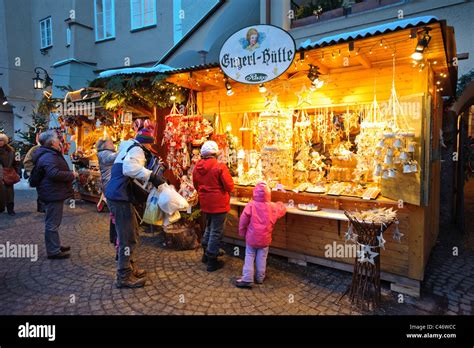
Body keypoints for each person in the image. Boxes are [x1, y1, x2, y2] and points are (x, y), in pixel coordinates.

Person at [105, 123, 165, 288]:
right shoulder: (137, 150)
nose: (151, 147)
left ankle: (130, 267)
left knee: (132, 233)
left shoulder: (129, 147)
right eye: (150, 144)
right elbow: (130, 169)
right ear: (147, 143)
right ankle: (123, 275)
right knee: (127, 237)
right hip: (119, 197)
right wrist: (152, 176)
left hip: (118, 195)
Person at [32, 130, 77, 259]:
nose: (60, 140)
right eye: (57, 139)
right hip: (52, 193)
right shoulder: (49, 156)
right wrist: (71, 175)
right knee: (52, 223)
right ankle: (53, 251)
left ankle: (55, 245)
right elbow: (54, 173)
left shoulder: (49, 153)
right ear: (52, 142)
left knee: (53, 221)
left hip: (52, 192)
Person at [234, 182, 286, 288]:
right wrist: (280, 203)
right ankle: (260, 277)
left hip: (251, 238)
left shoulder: (251, 205)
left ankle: (247, 278)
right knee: (262, 257)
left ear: (255, 193)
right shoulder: (273, 207)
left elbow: (243, 220)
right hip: (265, 239)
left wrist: (242, 232)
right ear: (268, 194)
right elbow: (282, 209)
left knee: (249, 256)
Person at [193, 140, 234, 272]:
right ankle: (212, 260)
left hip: (205, 203)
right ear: (215, 154)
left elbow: (196, 185)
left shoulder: (197, 167)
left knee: (209, 228)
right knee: (216, 231)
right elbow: (229, 186)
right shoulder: (220, 167)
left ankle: (205, 254)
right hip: (219, 204)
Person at [96, 138, 118, 258]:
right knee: (116, 215)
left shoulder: (104, 154)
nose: (113, 143)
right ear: (104, 145)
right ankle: (116, 241)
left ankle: (114, 238)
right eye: (110, 142)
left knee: (114, 215)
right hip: (111, 188)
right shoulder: (105, 154)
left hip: (109, 187)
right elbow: (117, 156)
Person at [23, 134, 45, 213]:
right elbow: (27, 161)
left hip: (48, 173)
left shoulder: (52, 148)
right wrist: (32, 172)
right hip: (38, 173)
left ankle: (45, 206)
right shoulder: (35, 149)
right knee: (41, 189)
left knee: (47, 189)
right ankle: (41, 206)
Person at [0, 133, 19, 216]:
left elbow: (16, 162)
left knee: (9, 192)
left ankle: (10, 209)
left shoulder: (11, 150)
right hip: (0, 173)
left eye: (1, 140)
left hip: (8, 173)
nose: (0, 142)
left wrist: (17, 171)